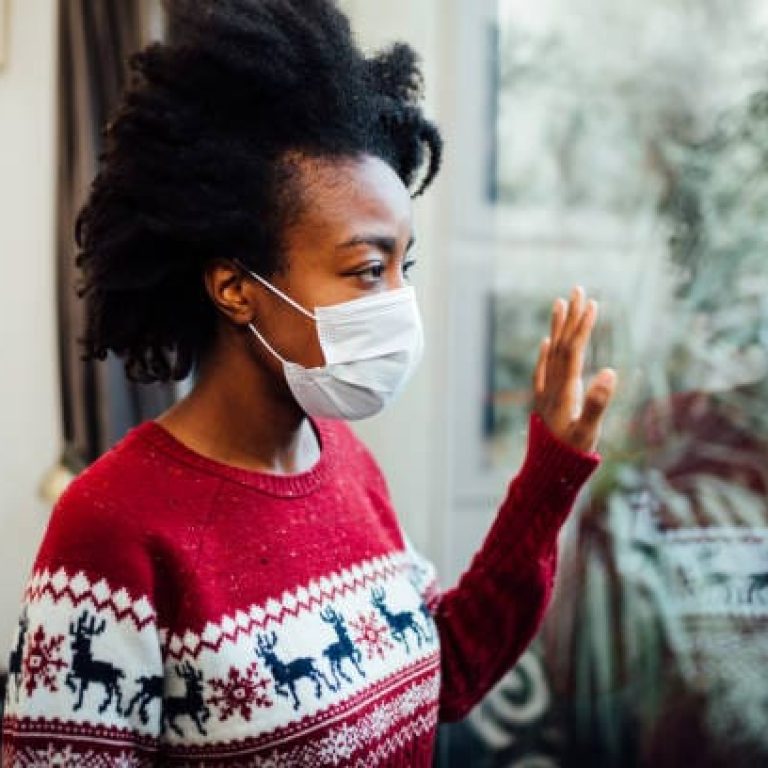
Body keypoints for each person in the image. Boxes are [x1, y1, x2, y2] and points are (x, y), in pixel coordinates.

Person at [1, 0, 616, 765]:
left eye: (404, 267)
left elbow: (446, 674)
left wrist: (549, 472)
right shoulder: (112, 528)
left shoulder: (349, 466)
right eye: (366, 270)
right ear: (236, 287)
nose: (398, 302)